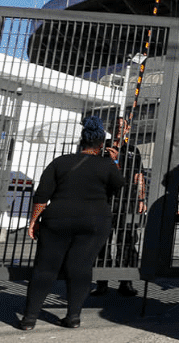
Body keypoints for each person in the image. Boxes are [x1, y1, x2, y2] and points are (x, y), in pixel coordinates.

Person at [20, 117, 124, 330]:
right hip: (94, 219)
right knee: (81, 267)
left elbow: (41, 195)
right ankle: (73, 316)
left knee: (45, 267)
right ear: (101, 144)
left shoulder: (61, 162)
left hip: (58, 217)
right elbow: (118, 186)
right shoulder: (107, 165)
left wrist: (33, 221)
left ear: (81, 141)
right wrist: (114, 162)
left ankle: (29, 318)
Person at [91, 116, 146, 297]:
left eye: (123, 127)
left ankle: (126, 281)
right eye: (116, 126)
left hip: (126, 202)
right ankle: (101, 282)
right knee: (102, 242)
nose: (119, 129)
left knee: (127, 242)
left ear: (128, 130)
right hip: (105, 201)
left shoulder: (132, 150)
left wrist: (141, 199)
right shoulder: (101, 147)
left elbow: (139, 176)